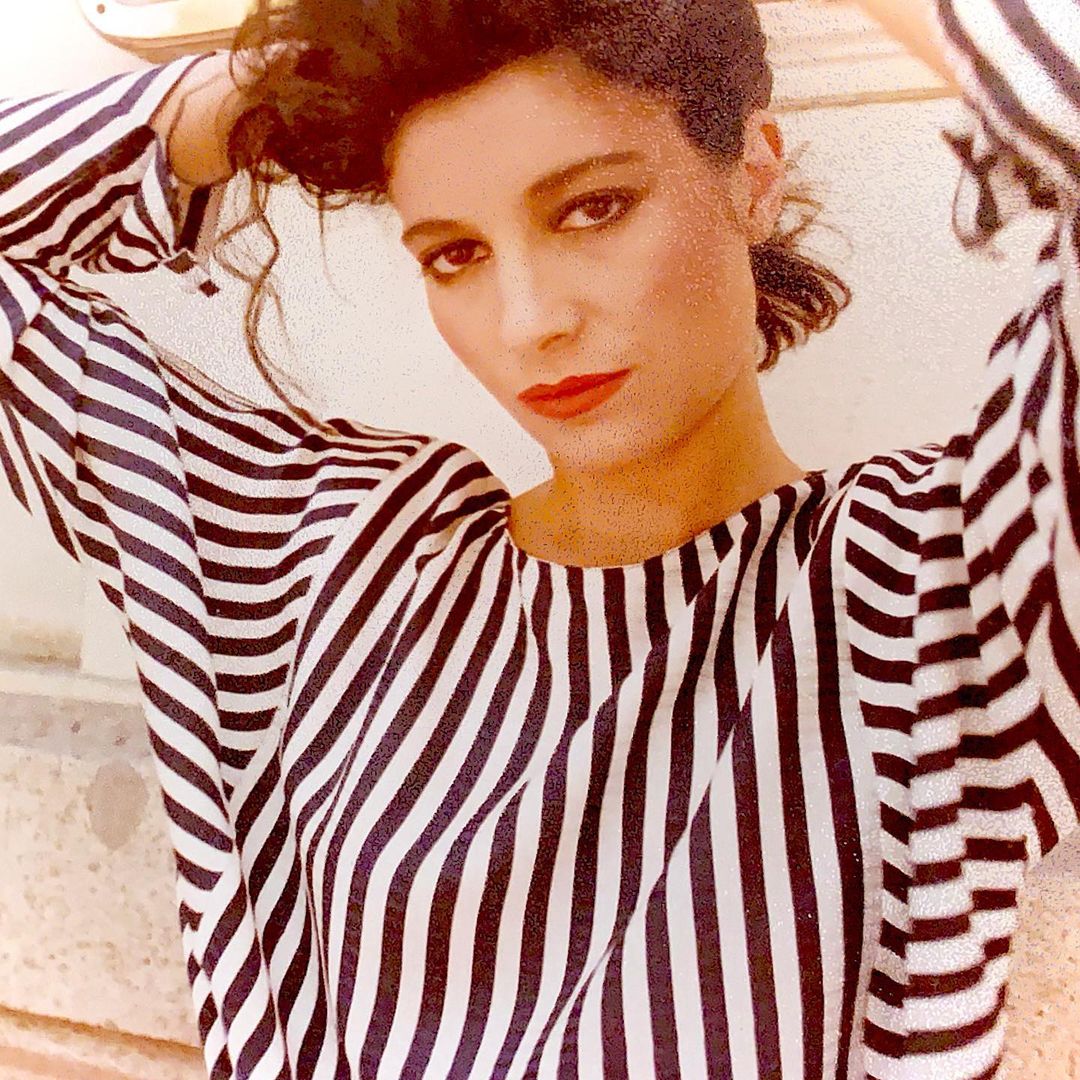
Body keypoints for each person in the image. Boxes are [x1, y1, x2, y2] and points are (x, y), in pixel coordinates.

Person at [0, 0, 1076, 1076]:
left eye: (593, 208)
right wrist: (282, 82)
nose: (528, 322)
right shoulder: (335, 555)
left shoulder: (933, 591)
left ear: (753, 176)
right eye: (455, 253)